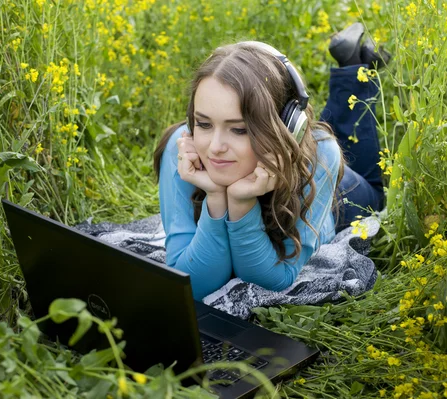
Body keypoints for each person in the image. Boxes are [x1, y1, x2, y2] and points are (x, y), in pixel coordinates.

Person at [153, 23, 388, 301]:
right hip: (298, 146)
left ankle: (357, 71)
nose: (214, 148)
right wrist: (217, 198)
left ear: (286, 129)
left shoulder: (319, 158)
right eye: (204, 123)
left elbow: (275, 277)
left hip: (339, 195)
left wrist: (241, 204)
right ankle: (355, 66)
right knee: (325, 133)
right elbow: (191, 284)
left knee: (371, 188)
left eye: (239, 129)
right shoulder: (184, 148)